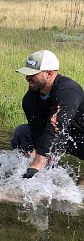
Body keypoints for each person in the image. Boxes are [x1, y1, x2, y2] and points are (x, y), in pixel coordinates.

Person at [12, 50, 84, 178]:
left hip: (80, 138)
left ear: (49, 74)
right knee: (22, 133)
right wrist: (33, 170)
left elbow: (55, 126)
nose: (27, 78)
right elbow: (39, 134)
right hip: (63, 138)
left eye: (32, 74)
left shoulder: (68, 90)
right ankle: (42, 178)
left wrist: (37, 165)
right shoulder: (29, 100)